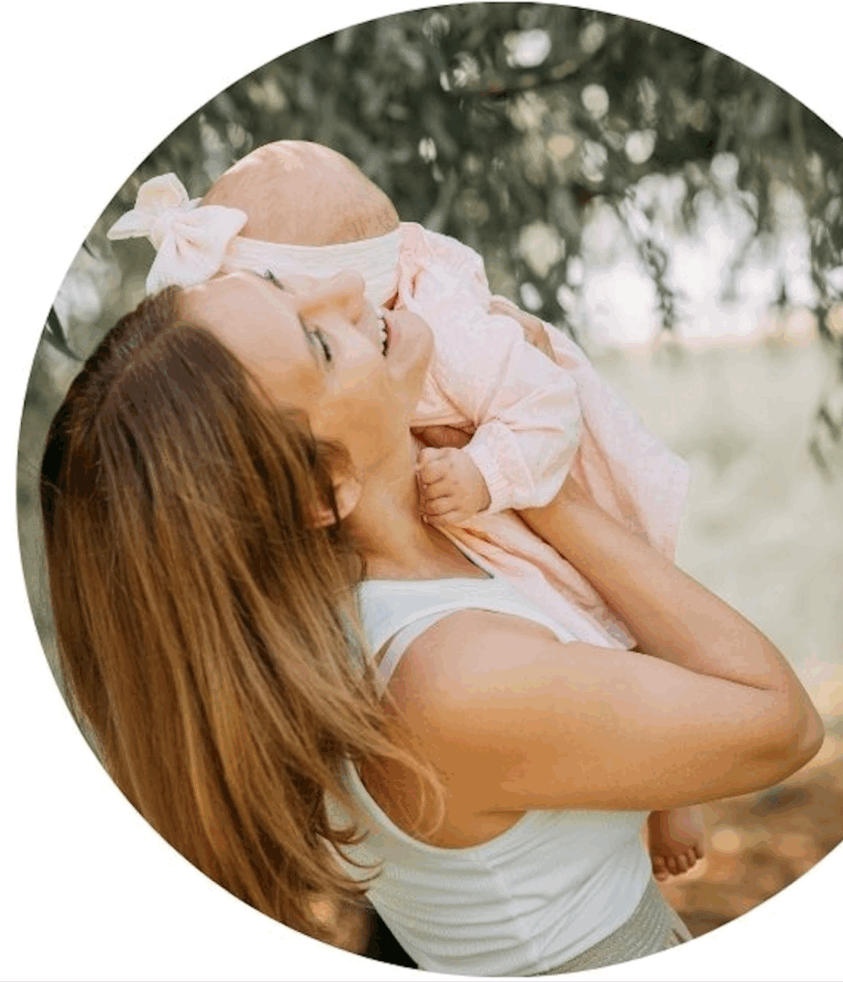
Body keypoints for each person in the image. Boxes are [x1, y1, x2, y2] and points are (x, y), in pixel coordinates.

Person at [39, 268, 823, 975]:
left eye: (282, 279)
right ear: (326, 487)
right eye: (320, 343)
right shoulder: (452, 676)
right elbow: (781, 724)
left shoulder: (410, 573)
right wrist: (540, 485)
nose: (347, 287)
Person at [108, 140, 705, 879]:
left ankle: (677, 789)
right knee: (588, 623)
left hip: (527, 470)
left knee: (610, 611)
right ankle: (673, 771)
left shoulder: (447, 335)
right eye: (312, 336)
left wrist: (487, 473)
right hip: (489, 503)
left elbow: (546, 406)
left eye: (292, 293)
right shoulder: (442, 664)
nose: (333, 302)